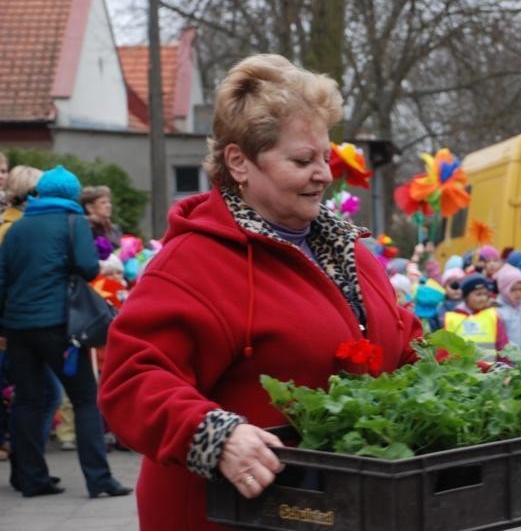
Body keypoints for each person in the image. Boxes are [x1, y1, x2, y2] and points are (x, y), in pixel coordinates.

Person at [96, 54, 421, 530]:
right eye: (302, 161)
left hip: (333, 509)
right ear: (239, 162)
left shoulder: (349, 250)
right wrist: (214, 435)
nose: (324, 174)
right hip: (230, 513)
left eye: (325, 157)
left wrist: (493, 380)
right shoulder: (193, 263)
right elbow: (131, 379)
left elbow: (408, 342)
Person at [0, 165, 131, 498]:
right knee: (85, 398)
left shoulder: (17, 227)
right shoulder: (73, 223)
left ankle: (31, 479)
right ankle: (99, 479)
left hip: (17, 328)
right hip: (60, 327)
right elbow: (88, 268)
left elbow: (2, 280)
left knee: (27, 401)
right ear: (72, 194)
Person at [444, 273, 508, 353]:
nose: (483, 298)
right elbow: (445, 349)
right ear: (466, 296)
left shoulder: (493, 315)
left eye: (485, 294)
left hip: (490, 365)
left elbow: (502, 345)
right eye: (478, 294)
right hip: (461, 365)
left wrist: (505, 364)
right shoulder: (451, 318)